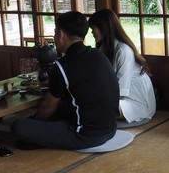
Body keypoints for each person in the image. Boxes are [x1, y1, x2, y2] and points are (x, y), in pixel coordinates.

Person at [11, 11, 119, 150]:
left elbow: (47, 108)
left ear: (61, 34)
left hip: (85, 135)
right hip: (110, 129)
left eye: (55, 33)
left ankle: (35, 138)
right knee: (61, 109)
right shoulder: (99, 55)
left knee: (19, 126)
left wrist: (33, 122)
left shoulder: (62, 65)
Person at [88, 9, 156, 125]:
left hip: (136, 100)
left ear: (104, 28)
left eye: (93, 28)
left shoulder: (123, 51)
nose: (92, 32)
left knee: (96, 108)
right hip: (117, 97)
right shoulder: (104, 48)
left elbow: (120, 90)